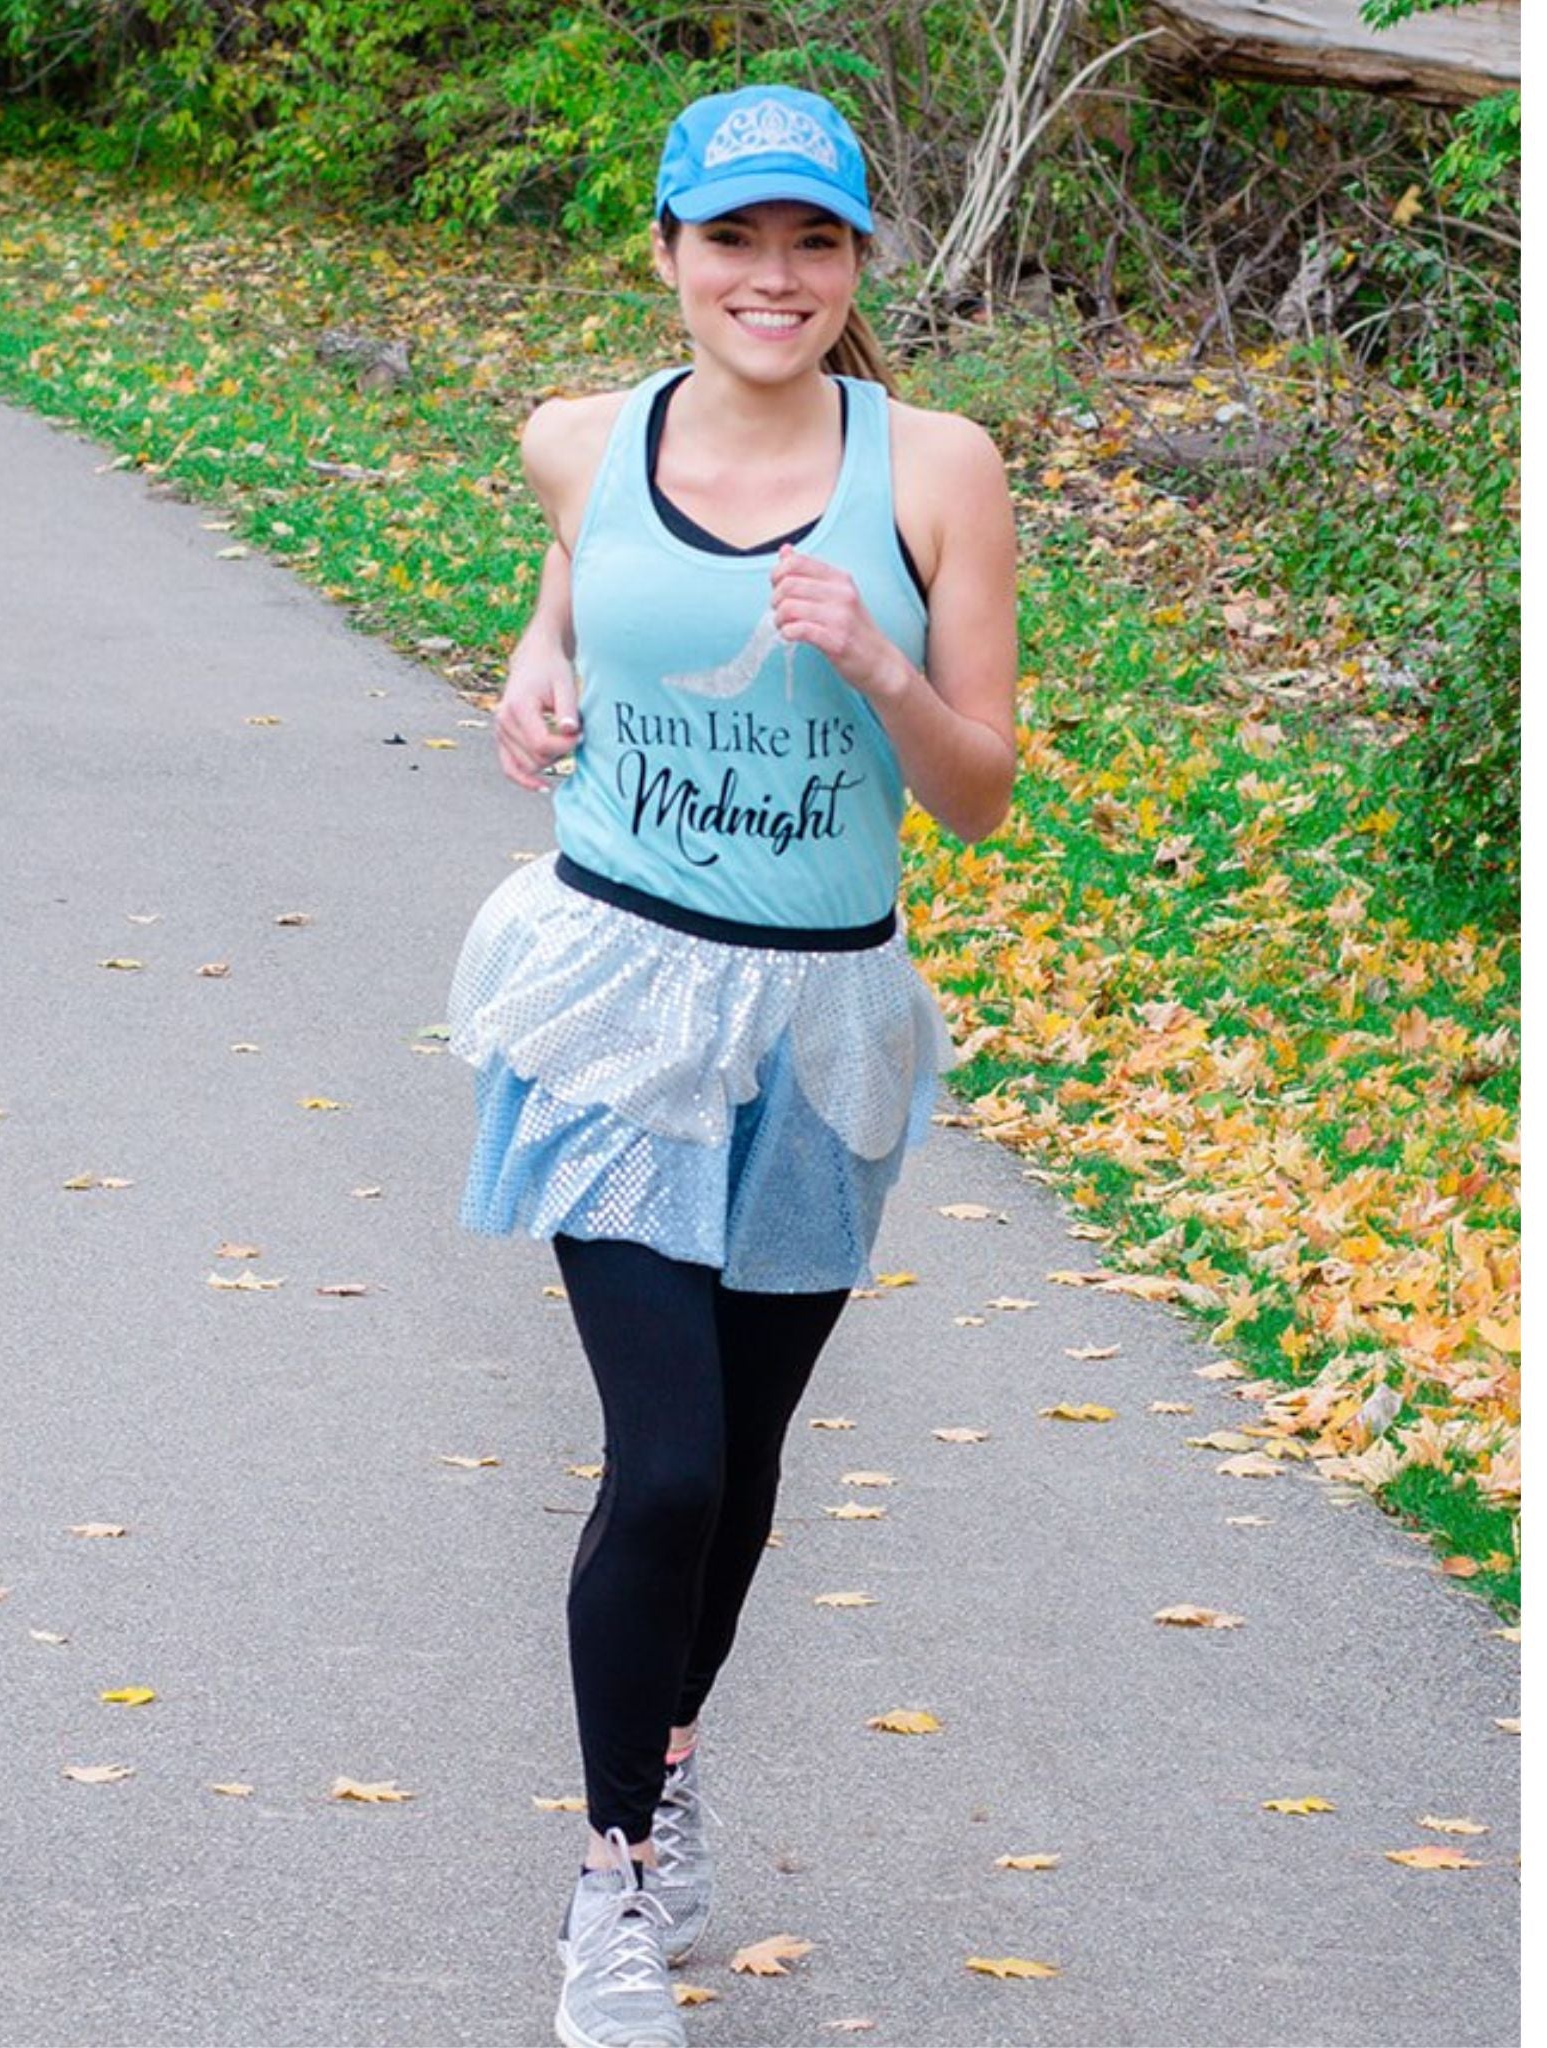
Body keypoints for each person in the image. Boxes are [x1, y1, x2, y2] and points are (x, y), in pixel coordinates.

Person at [446, 81, 1018, 2048]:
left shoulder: (936, 466)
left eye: (812, 243)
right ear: (670, 256)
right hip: (614, 986)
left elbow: (982, 793)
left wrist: (877, 663)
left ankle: (666, 1758)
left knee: (747, 1469)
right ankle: (609, 1886)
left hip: (820, 1015)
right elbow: (577, 582)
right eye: (733, 240)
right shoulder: (580, 440)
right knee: (666, 1460)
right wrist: (538, 657)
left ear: (855, 263)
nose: (770, 278)